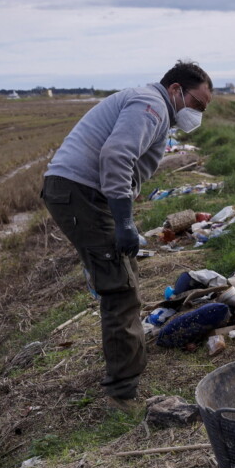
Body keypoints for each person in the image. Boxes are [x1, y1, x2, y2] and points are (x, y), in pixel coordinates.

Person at [41, 61, 213, 412]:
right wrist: (122, 222)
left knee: (123, 278)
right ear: (177, 90)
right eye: (198, 104)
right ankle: (122, 395)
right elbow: (117, 155)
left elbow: (126, 163)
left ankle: (127, 376)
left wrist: (124, 212)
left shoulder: (151, 105)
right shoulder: (150, 106)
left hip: (83, 193)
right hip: (81, 193)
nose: (198, 113)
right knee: (120, 290)